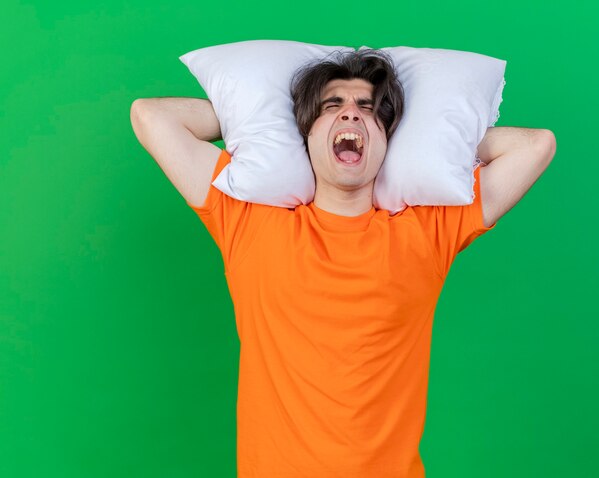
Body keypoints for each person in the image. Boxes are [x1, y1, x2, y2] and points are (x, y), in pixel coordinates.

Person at [130, 49, 556, 478]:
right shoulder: (247, 222)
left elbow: (537, 145)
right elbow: (150, 116)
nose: (351, 115)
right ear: (306, 135)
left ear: (389, 139)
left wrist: (435, 133)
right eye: (331, 106)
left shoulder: (426, 233)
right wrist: (257, 118)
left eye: (368, 110)